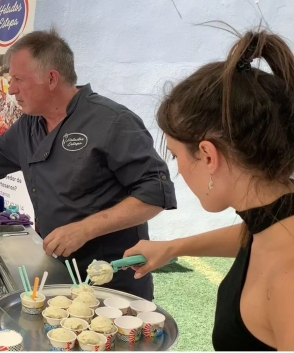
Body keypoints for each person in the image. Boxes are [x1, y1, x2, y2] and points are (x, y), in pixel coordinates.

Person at [0, 29, 176, 300]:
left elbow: (155, 194)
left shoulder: (113, 121)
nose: (12, 89)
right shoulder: (28, 125)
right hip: (56, 272)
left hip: (111, 281)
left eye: (19, 79)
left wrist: (85, 229)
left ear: (52, 78)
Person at [124, 29, 294, 350]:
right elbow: (250, 235)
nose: (179, 170)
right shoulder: (275, 218)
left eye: (176, 156)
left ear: (207, 155)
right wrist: (171, 248)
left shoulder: (287, 280)